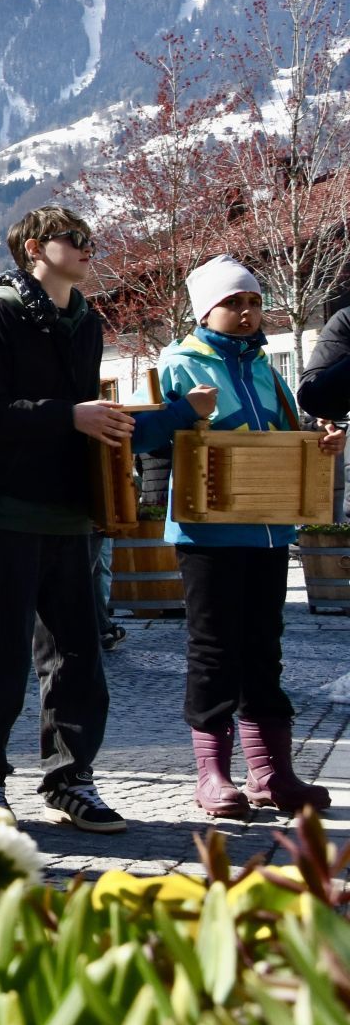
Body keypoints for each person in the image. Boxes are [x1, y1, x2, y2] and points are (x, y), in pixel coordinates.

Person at [134, 256, 341, 818]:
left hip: (270, 532)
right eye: (233, 303)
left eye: (252, 301)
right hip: (208, 534)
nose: (246, 312)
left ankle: (271, 775)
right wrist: (184, 410)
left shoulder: (267, 370)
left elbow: (287, 440)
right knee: (214, 652)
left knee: (263, 651)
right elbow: (145, 438)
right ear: (207, 309)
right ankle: (213, 775)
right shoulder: (179, 362)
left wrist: (319, 442)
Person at [0, 205, 126, 831]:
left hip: (71, 512)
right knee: (2, 652)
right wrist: (70, 416)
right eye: (74, 239)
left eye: (89, 239)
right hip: (8, 509)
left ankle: (70, 777)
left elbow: (86, 415)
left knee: (79, 653)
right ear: (35, 248)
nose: (88, 248)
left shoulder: (87, 322)